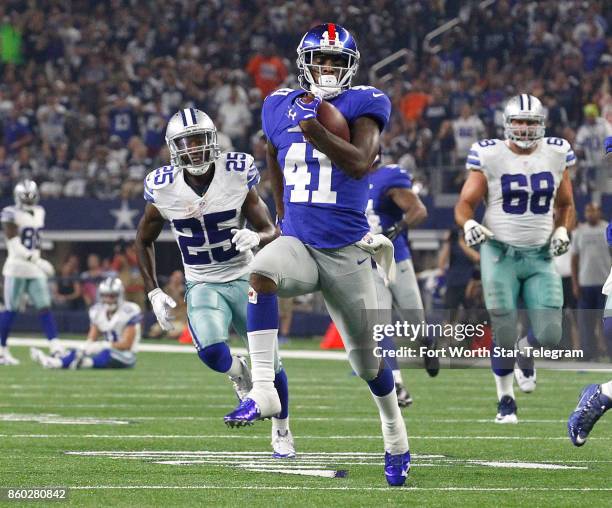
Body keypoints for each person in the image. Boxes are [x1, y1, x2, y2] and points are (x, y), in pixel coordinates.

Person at [224, 24, 410, 486]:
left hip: (347, 253)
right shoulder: (276, 104)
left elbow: (360, 162)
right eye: (320, 60)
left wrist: (313, 129)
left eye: (336, 61)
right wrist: (281, 217)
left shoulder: (365, 102)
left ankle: (396, 435)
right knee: (261, 270)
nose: (327, 68)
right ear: (305, 62)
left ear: (350, 67)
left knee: (367, 364)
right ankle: (265, 390)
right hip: (301, 244)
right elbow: (273, 157)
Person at [134, 108, 295, 459]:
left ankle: (282, 428)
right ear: (173, 148)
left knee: (274, 363)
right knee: (210, 351)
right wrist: (153, 290)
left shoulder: (235, 175)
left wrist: (256, 236)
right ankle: (239, 373)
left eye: (199, 140)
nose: (194, 149)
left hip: (244, 276)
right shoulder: (163, 188)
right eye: (185, 143)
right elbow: (142, 239)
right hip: (202, 282)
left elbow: (271, 228)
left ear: (212, 140)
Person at [454, 94, 576, 424]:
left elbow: (566, 205)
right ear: (507, 124)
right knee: (503, 327)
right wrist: (469, 223)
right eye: (519, 121)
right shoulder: (489, 154)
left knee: (551, 333)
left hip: (540, 255)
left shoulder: (556, 152)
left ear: (542, 125)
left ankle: (526, 349)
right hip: (500, 254)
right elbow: (464, 204)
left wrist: (564, 230)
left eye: (530, 122)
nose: (524, 128)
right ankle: (505, 398)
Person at [366, 160, 437, 407]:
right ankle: (397, 384)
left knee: (416, 324)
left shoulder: (388, 176)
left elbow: (419, 210)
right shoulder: (345, 177)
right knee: (379, 326)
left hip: (397, 258)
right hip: (367, 263)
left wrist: (400, 226)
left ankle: (428, 343)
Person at [0, 180, 59, 365]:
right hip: (17, 267)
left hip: (34, 269)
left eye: (32, 197)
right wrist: (39, 261)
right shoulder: (10, 213)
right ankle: (2, 350)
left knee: (44, 306)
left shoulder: (40, 211)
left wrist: (37, 262)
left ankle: (55, 346)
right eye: (26, 197)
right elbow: (14, 244)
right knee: (12, 309)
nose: (29, 201)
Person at [30, 277, 141, 369]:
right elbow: (91, 339)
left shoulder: (130, 310)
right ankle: (56, 362)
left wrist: (102, 345)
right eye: (105, 296)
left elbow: (127, 345)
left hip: (126, 356)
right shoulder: (97, 311)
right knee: (81, 350)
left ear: (119, 296)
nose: (108, 299)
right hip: (106, 352)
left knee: (106, 353)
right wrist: (84, 349)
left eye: (112, 296)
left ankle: (74, 362)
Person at [571, 203, 611, 359]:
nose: (591, 213)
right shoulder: (579, 232)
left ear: (599, 212)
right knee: (586, 322)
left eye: (593, 210)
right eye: (588, 210)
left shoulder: (607, 228)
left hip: (605, 283)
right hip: (585, 283)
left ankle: (609, 353)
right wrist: (575, 283)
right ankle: (589, 353)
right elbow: (574, 259)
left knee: (607, 323)